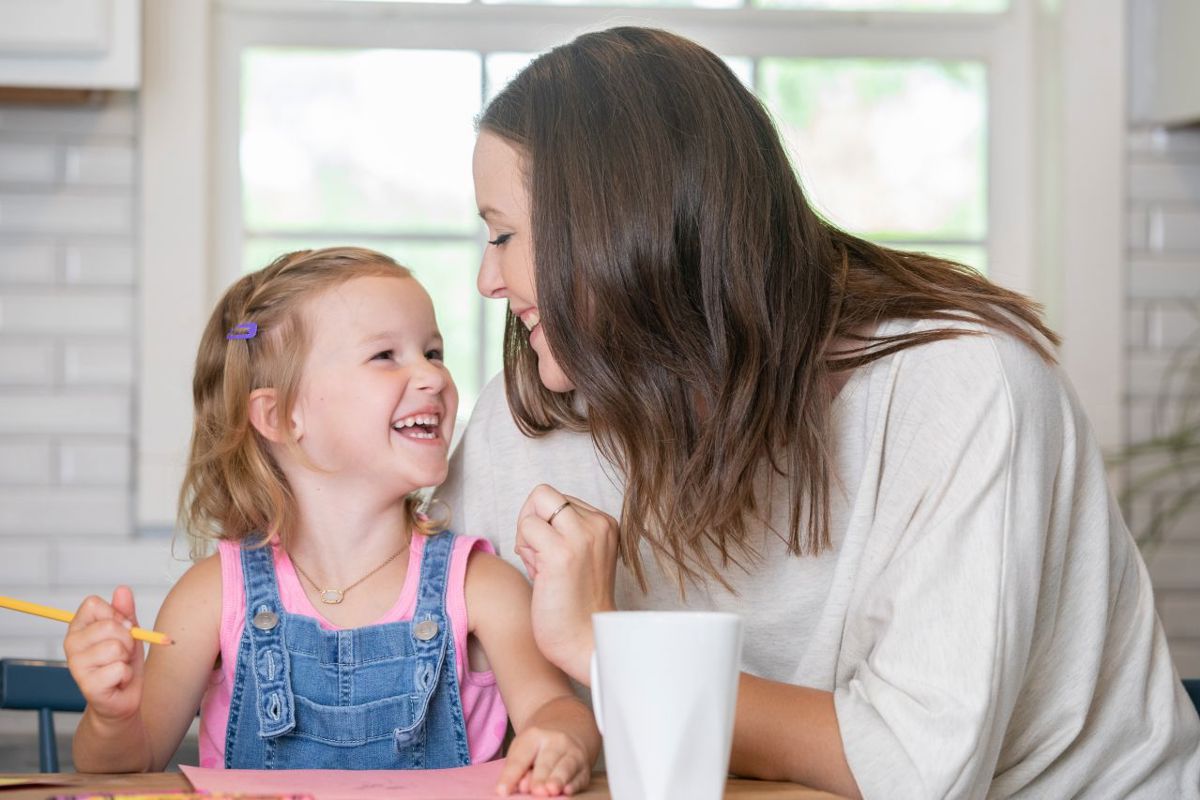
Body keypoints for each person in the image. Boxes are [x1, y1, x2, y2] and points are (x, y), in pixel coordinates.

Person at [439, 26, 1200, 800]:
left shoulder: (963, 389)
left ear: (619, 228)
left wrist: (609, 652)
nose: (486, 280)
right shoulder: (528, 414)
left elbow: (913, 771)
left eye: (504, 234)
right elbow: (415, 645)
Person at [64, 247, 599, 795]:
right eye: (386, 355)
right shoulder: (211, 598)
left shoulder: (481, 587)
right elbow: (127, 763)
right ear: (281, 416)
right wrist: (112, 717)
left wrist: (562, 739)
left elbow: (558, 707)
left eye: (433, 352)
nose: (433, 376)